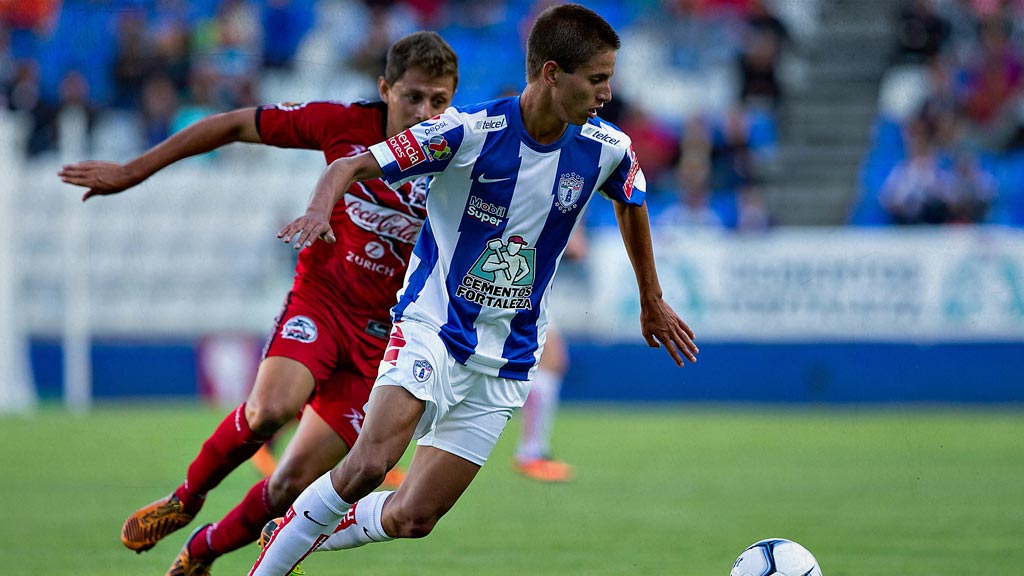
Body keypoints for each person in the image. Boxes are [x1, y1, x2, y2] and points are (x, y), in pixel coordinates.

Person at [249, 5, 699, 575]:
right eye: (598, 78)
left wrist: (650, 298)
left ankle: (298, 529)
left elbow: (632, 202)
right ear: (552, 73)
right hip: (433, 328)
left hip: (507, 356)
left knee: (415, 516)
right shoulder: (467, 132)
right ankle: (273, 560)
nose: (608, 93)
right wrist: (318, 208)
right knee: (370, 464)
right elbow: (353, 166)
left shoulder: (608, 147)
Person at [57, 31, 459, 576]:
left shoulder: (457, 155)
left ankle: (202, 552)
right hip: (322, 302)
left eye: (439, 101)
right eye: (413, 96)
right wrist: (134, 170)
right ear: (385, 89)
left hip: (386, 341)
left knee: (291, 483)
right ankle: (185, 499)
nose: (425, 112)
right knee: (270, 408)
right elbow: (232, 124)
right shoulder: (340, 124)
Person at [512, 228, 588, 483]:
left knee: (552, 361)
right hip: (517, 280)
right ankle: (531, 454)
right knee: (551, 361)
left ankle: (533, 452)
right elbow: (577, 248)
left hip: (527, 280)